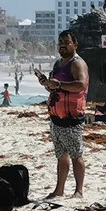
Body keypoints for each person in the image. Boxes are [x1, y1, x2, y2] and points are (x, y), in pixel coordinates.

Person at [34, 30, 89, 199]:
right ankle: (59, 190)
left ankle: (79, 191)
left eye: (66, 42)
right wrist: (47, 83)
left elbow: (81, 85)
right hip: (56, 118)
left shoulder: (77, 64)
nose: (63, 45)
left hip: (71, 118)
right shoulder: (58, 64)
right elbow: (54, 87)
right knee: (61, 156)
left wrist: (59, 84)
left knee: (76, 155)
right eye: (60, 43)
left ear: (75, 44)